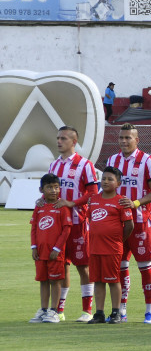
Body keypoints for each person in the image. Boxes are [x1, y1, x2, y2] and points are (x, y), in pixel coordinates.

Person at [107, 123, 151, 323]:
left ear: (136, 140)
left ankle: (149, 311)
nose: (123, 141)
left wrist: (135, 203)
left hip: (140, 221)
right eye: (121, 137)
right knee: (120, 266)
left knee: (144, 265)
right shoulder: (112, 160)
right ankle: (121, 310)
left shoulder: (147, 161)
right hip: (117, 222)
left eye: (128, 138)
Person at [47, 126, 99, 322]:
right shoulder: (53, 166)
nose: (59, 141)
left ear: (74, 142)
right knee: (62, 266)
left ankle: (87, 311)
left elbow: (93, 193)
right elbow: (48, 192)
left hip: (78, 223)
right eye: (58, 138)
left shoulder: (85, 165)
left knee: (83, 266)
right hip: (57, 225)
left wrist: (72, 203)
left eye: (64, 138)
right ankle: (59, 311)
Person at [87, 167, 134, 324]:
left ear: (118, 183)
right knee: (98, 281)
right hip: (95, 247)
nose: (106, 182)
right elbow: (91, 219)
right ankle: (99, 313)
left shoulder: (121, 201)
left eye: (110, 179)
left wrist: (118, 240)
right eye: (104, 178)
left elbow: (129, 225)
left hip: (112, 249)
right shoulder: (93, 199)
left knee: (113, 280)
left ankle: (116, 313)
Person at [29, 174, 72, 324]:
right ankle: (44, 309)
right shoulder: (39, 207)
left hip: (55, 253)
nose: (53, 190)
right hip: (40, 252)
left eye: (56, 187)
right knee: (43, 281)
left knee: (55, 281)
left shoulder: (62, 207)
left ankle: (54, 311)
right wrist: (34, 247)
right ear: (41, 190)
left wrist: (57, 249)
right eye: (49, 187)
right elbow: (34, 228)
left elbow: (66, 230)